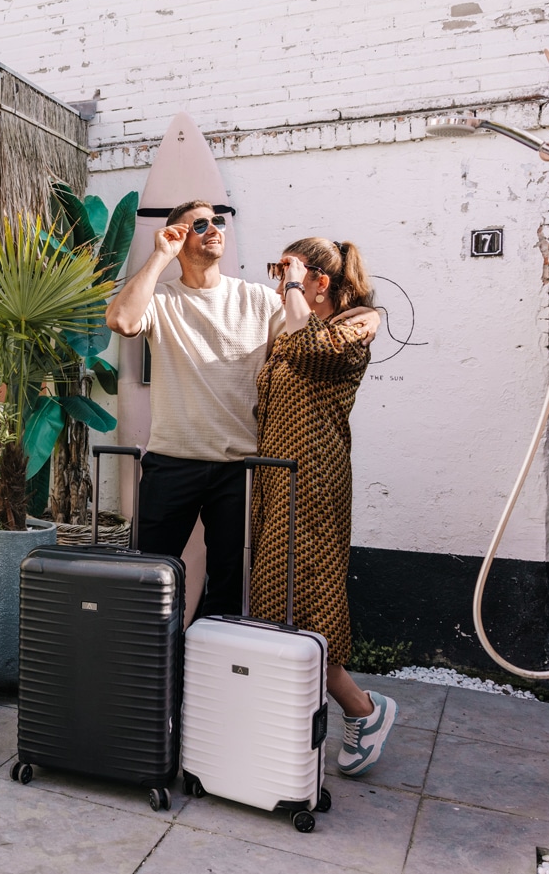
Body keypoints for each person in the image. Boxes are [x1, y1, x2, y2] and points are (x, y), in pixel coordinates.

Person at [104, 201, 377, 620]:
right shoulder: (162, 300)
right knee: (147, 575)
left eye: (217, 220)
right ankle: (150, 673)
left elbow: (311, 342)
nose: (213, 228)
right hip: (171, 463)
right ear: (178, 236)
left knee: (229, 588)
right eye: (199, 223)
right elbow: (121, 320)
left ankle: (208, 674)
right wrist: (160, 256)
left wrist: (372, 313)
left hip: (240, 471)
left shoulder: (257, 300)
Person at [252, 238, 397, 776]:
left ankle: (363, 709)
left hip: (314, 480)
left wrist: (292, 290)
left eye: (286, 271)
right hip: (276, 479)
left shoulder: (357, 324)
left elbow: (308, 346)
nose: (279, 281)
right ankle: (293, 724)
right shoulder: (295, 327)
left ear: (320, 281)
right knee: (276, 596)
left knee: (308, 596)